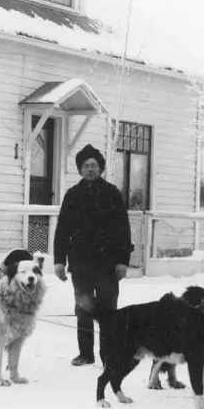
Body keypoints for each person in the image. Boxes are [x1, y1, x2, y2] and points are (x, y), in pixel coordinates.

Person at [53, 143, 133, 366]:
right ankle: (86, 354)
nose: (90, 169)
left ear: (101, 169)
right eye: (86, 166)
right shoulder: (72, 196)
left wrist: (122, 262)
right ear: (80, 169)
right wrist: (59, 261)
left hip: (107, 265)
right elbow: (62, 231)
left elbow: (123, 230)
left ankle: (109, 356)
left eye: (94, 166)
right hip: (80, 265)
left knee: (109, 311)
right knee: (83, 309)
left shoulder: (112, 194)